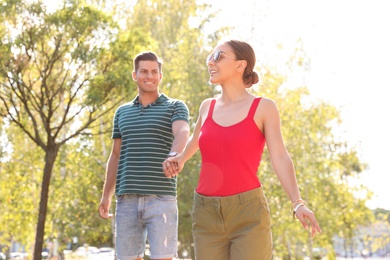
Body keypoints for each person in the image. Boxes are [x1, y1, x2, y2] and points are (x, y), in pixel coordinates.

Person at [162, 40, 322, 260]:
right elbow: (196, 140)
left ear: (240, 65)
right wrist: (180, 159)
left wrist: (297, 203)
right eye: (210, 56)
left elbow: (280, 156)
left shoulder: (263, 107)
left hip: (248, 213)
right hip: (206, 212)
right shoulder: (206, 107)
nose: (210, 61)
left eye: (219, 56)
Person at [98, 51, 190, 260]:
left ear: (160, 76)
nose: (149, 76)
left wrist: (175, 155)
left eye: (154, 72)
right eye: (144, 71)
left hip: (161, 198)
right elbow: (115, 155)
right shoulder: (122, 112)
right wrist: (106, 195)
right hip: (126, 199)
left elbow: (183, 132)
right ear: (135, 75)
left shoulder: (174, 106)